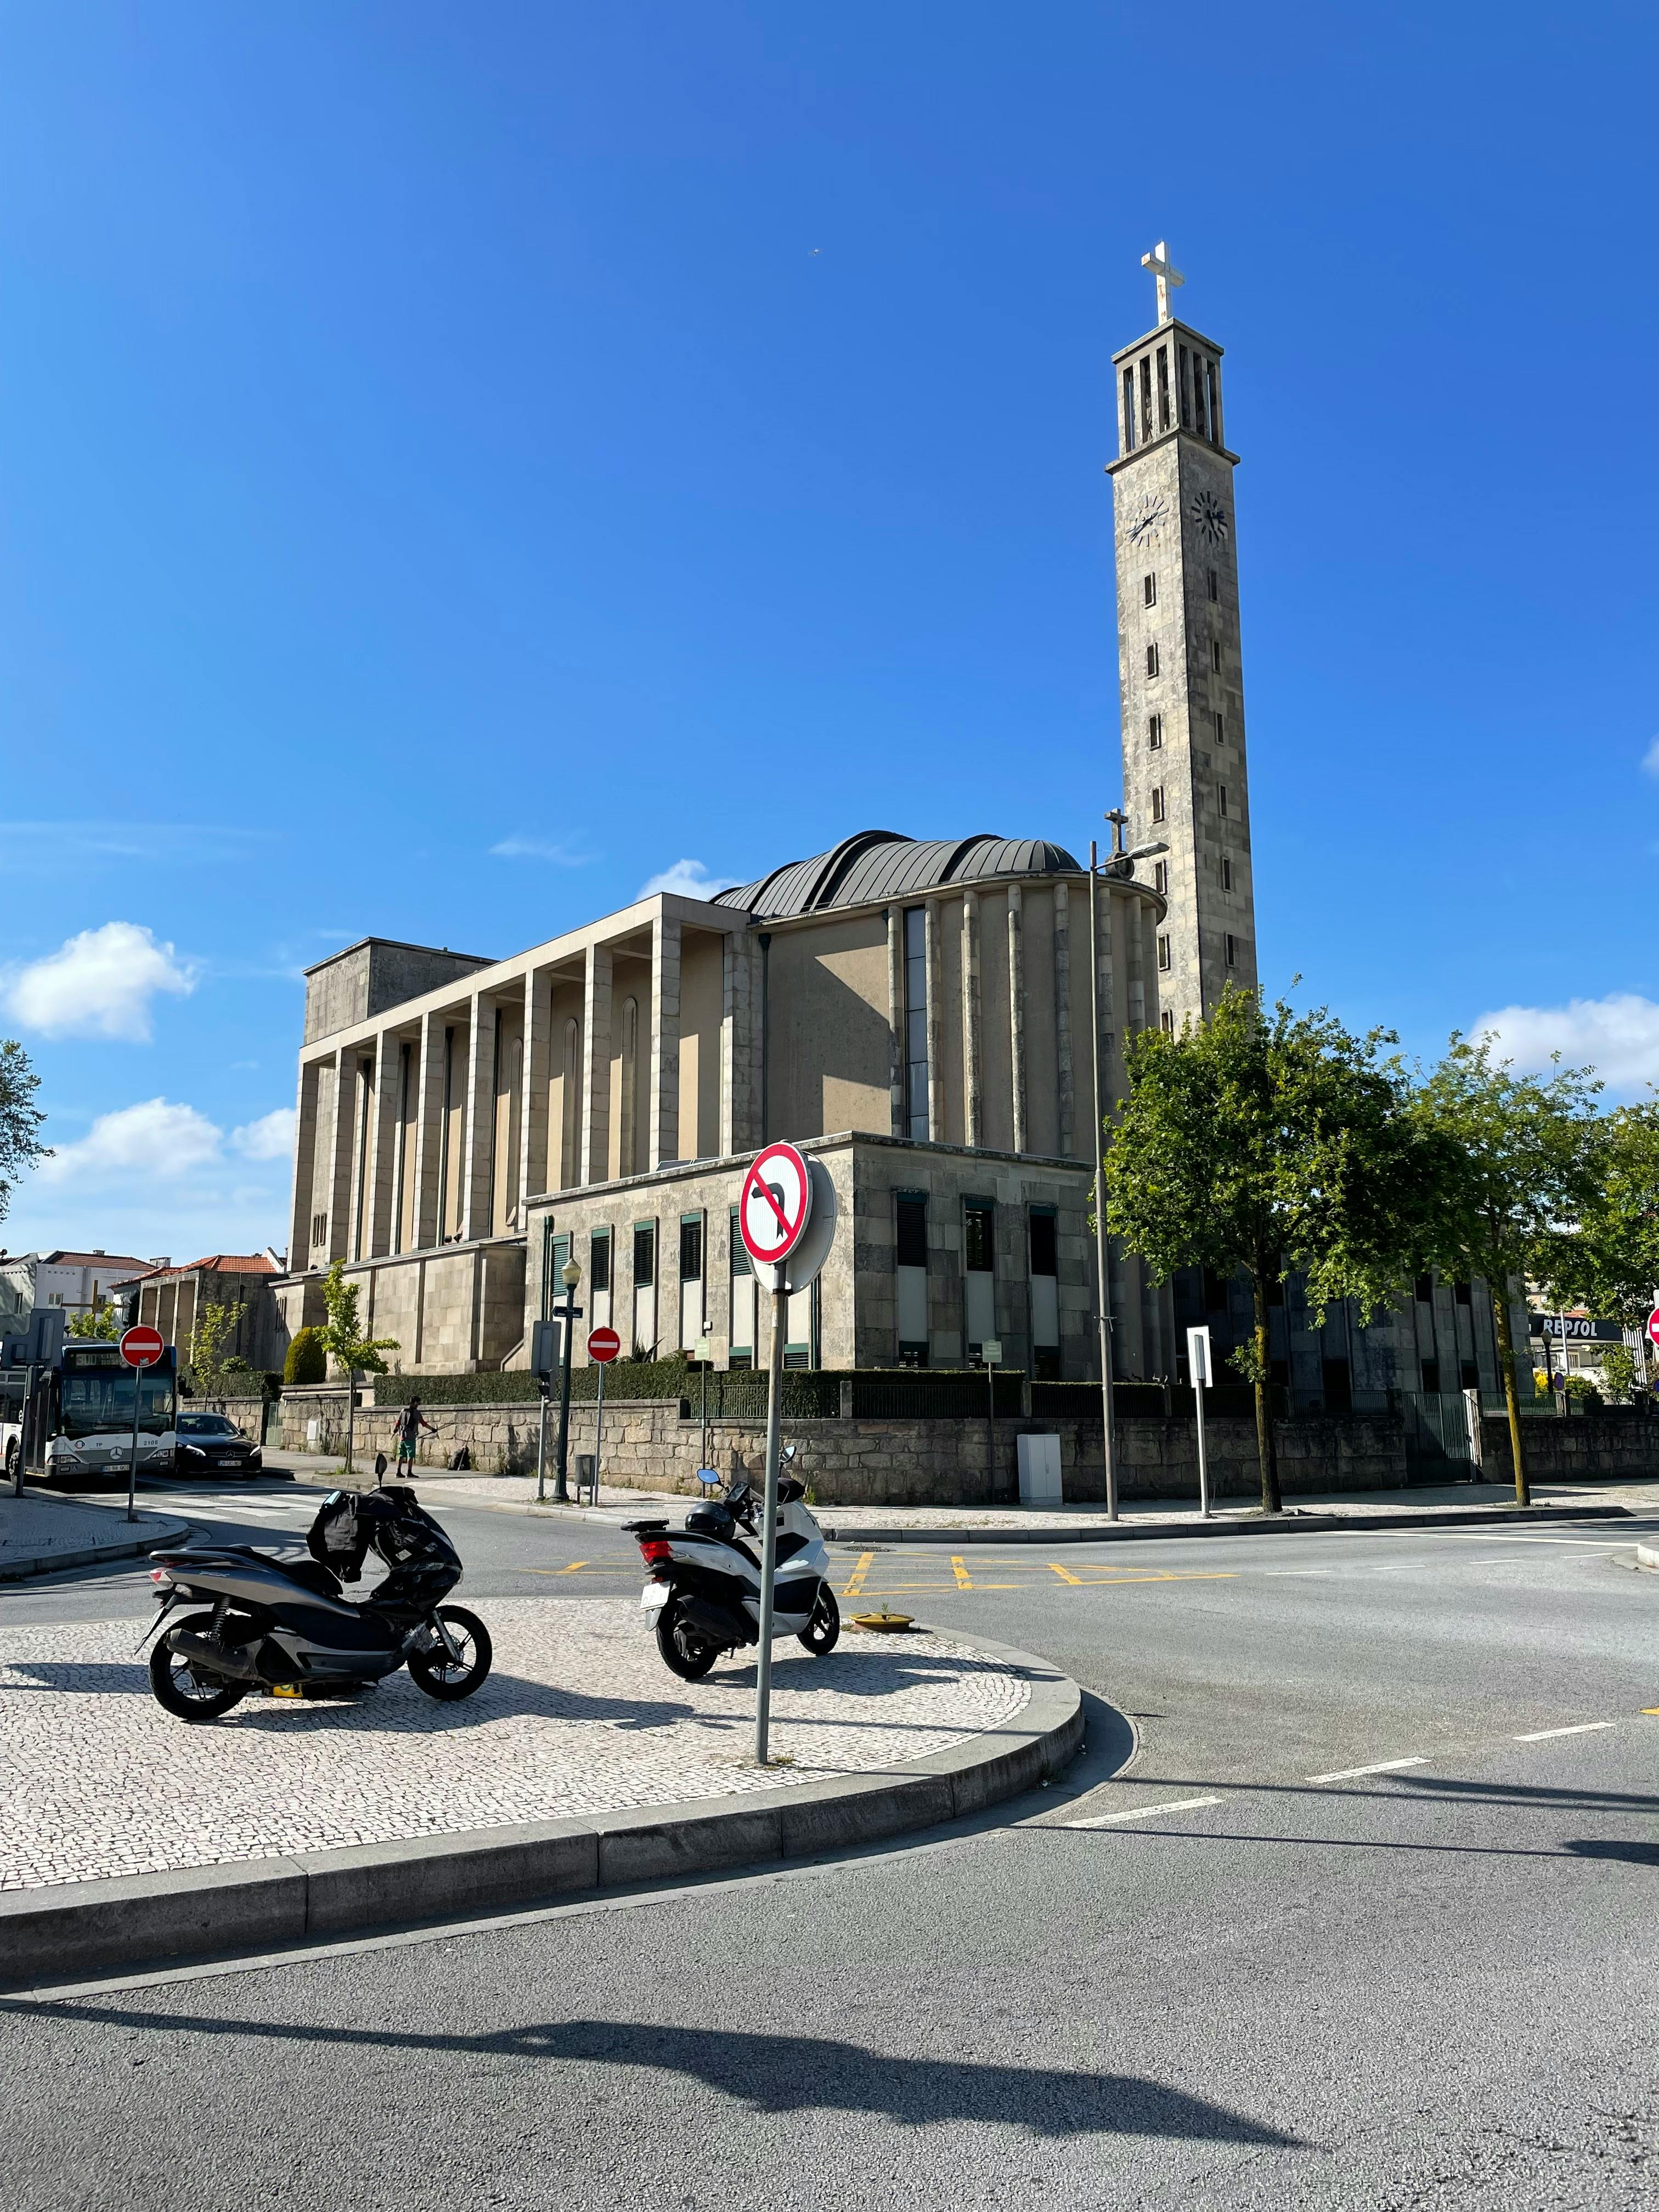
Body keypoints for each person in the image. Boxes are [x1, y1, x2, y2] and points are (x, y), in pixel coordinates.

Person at [393, 1397, 437, 1470]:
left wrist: (396, 1430)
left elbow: (398, 1423)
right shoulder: (416, 1413)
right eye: (418, 1403)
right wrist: (432, 1429)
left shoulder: (403, 1411)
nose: (418, 1405)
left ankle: (398, 1472)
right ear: (416, 1403)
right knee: (410, 1455)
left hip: (402, 1436)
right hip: (411, 1436)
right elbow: (424, 1423)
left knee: (401, 1454)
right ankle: (409, 1472)